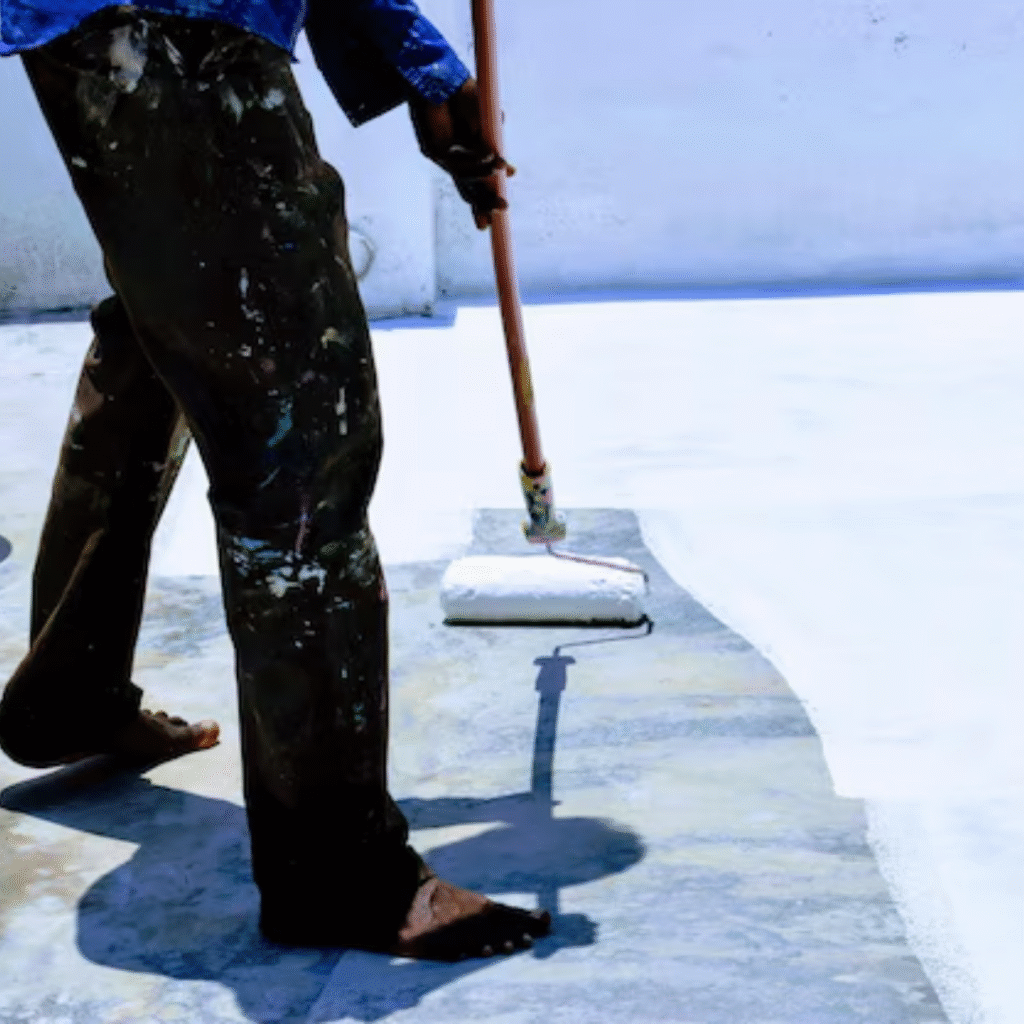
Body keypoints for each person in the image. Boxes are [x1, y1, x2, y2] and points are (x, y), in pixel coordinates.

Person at [0, 0, 551, 961]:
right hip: (178, 33)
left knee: (162, 333)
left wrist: (416, 65)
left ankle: (68, 692)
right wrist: (421, 59)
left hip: (117, 23)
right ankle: (337, 874)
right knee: (298, 421)